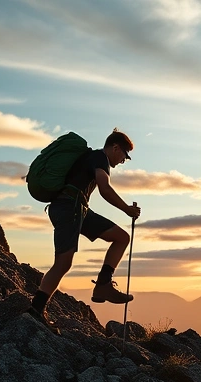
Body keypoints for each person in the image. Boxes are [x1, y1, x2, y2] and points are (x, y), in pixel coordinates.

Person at [26, 129, 141, 328]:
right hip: (69, 207)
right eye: (125, 154)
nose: (124, 160)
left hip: (77, 208)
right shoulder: (100, 158)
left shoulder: (92, 157)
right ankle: (36, 309)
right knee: (63, 263)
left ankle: (103, 285)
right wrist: (127, 209)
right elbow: (104, 188)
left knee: (121, 238)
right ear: (115, 148)